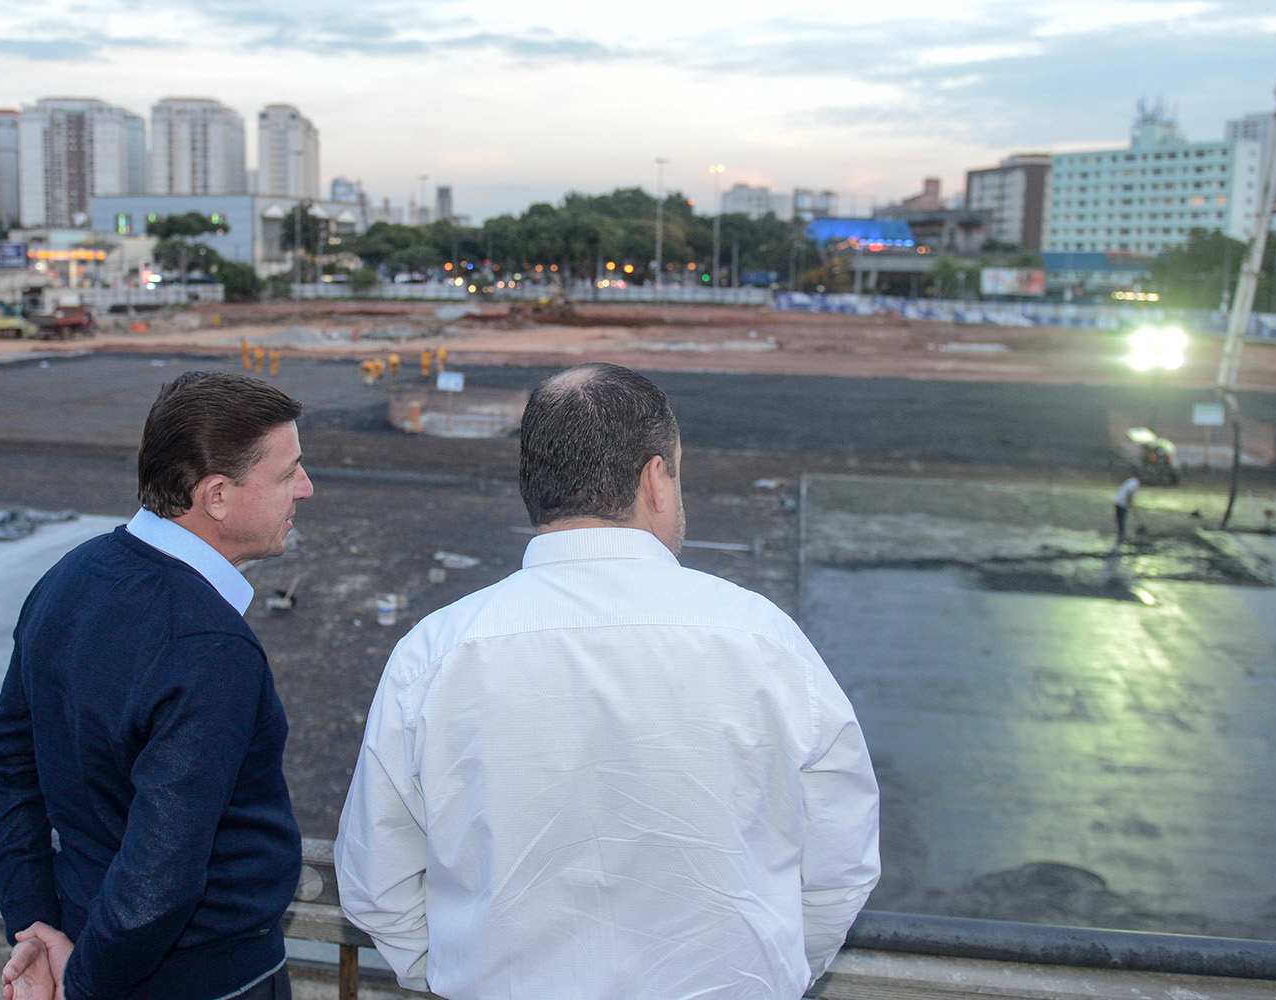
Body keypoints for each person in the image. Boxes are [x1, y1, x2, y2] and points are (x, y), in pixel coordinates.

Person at [334, 362, 881, 1000]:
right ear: (656, 479)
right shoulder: (764, 641)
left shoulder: (433, 654)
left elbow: (377, 881)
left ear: (534, 486)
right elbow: (841, 865)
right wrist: (774, 971)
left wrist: (454, 973)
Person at [0, 371, 313, 1000]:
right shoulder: (210, 649)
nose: (305, 487)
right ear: (217, 495)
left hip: (93, 946)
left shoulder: (68, 577)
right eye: (287, 471)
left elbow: (2, 770)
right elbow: (160, 874)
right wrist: (82, 985)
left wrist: (36, 925)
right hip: (210, 979)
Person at [1115, 474, 1141, 542]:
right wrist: (1130, 503)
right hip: (1123, 503)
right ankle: (1121, 535)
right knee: (1122, 519)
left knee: (1119, 520)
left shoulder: (1130, 481)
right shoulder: (1135, 483)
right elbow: (1129, 493)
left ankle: (1120, 535)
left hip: (1117, 501)